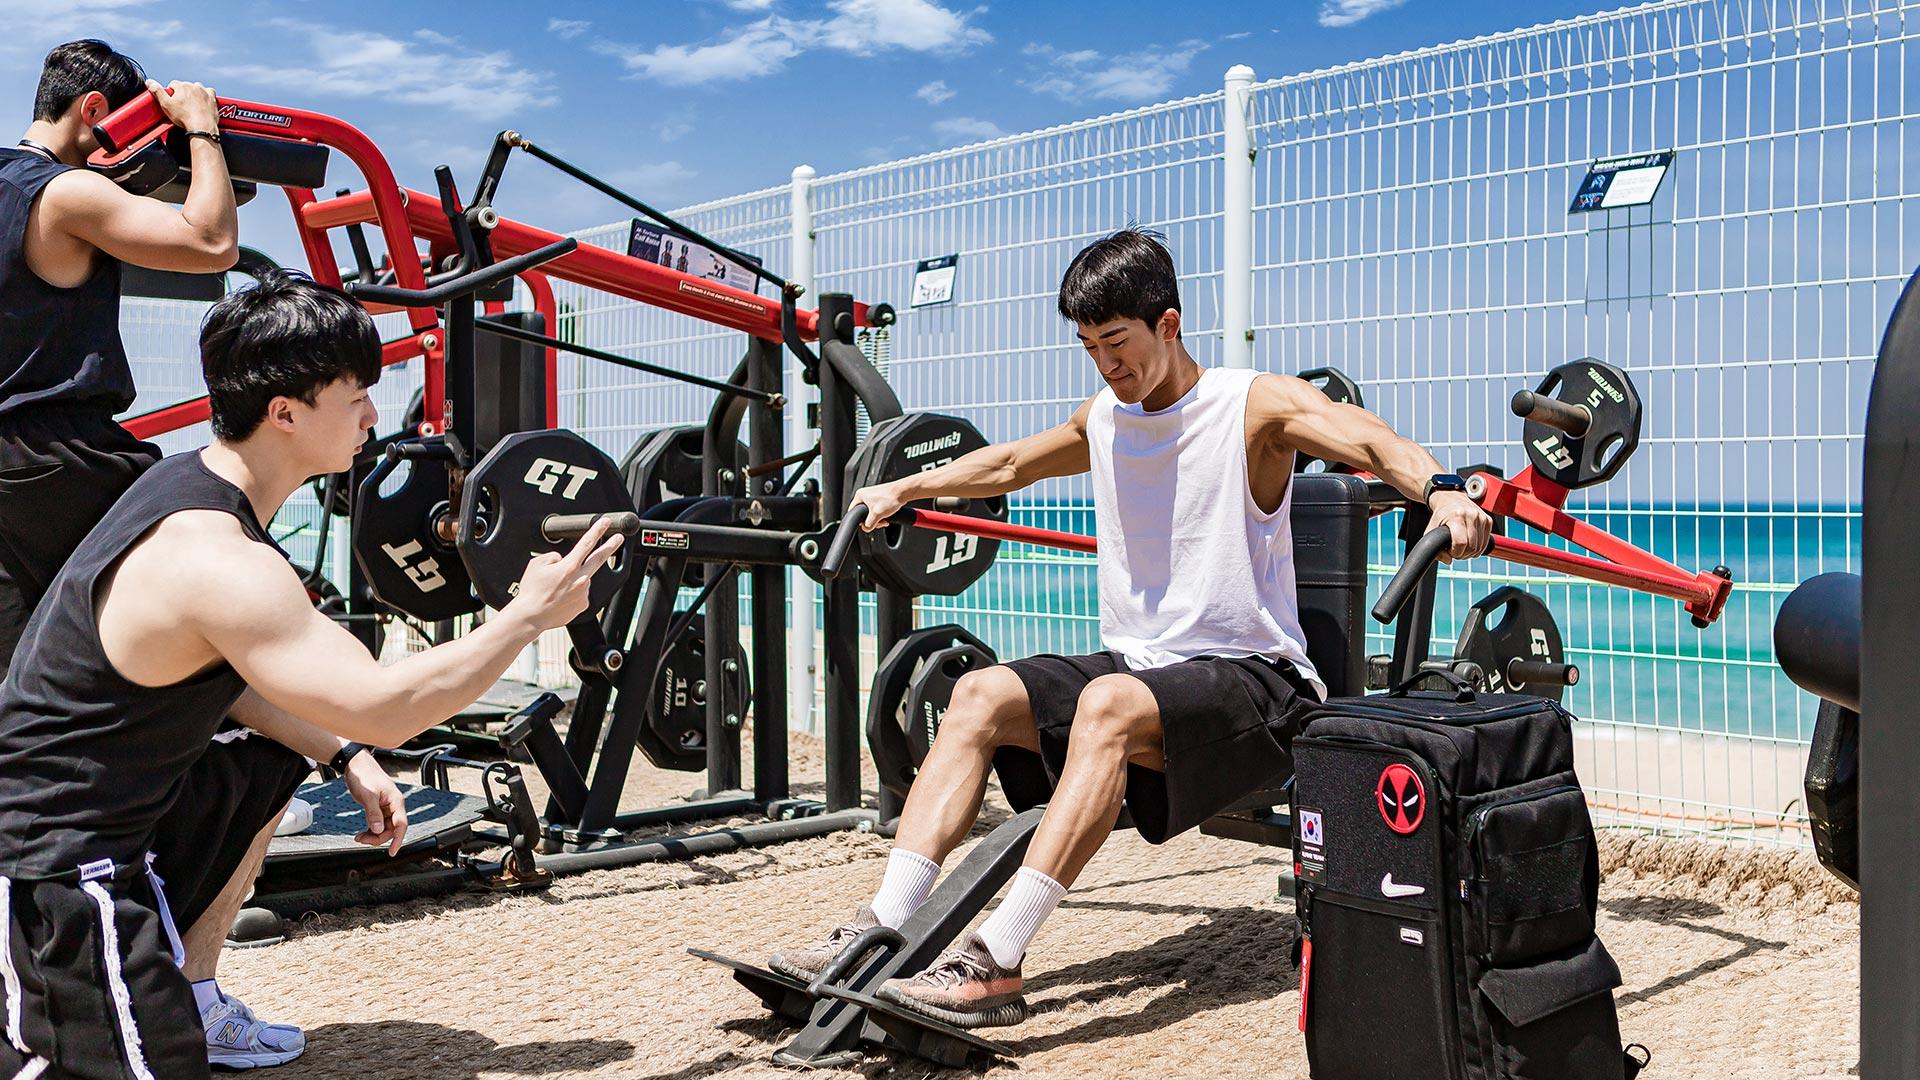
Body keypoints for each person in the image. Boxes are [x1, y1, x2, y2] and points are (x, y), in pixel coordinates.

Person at [768, 228, 1493, 1029]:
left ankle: (995, 963)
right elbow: (1010, 465)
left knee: (1107, 703)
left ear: (1170, 324)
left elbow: (1363, 436)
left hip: (1260, 684)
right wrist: (907, 487)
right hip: (1140, 668)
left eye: (1118, 343)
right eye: (1089, 347)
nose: (1107, 365)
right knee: (978, 694)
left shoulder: (1252, 406)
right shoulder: (1106, 416)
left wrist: (1441, 488)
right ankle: (884, 926)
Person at [0, 272, 626, 1080]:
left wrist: (342, 755)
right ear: (285, 412)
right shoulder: (217, 557)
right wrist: (526, 616)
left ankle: (186, 992)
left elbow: (234, 680)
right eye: (356, 394)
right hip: (51, 870)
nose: (373, 413)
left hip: (111, 827)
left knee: (268, 756)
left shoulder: (187, 482)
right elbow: (388, 708)